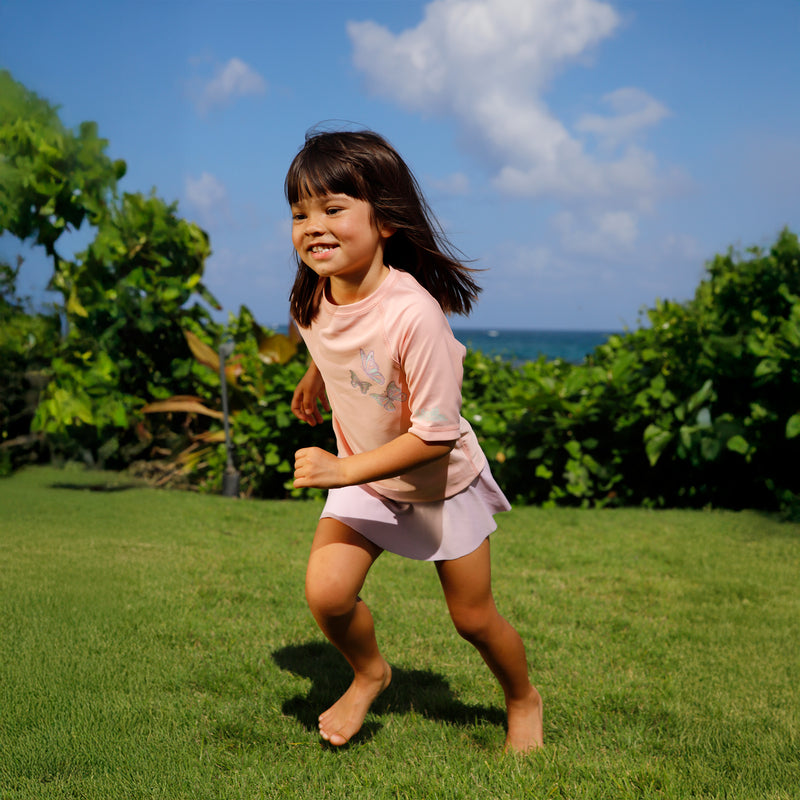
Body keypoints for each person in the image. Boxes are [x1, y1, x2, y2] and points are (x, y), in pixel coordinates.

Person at [287, 129, 543, 753]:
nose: (313, 226)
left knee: (473, 619)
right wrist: (316, 375)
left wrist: (340, 471)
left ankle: (522, 699)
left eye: (333, 208)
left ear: (386, 220)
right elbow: (338, 338)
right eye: (300, 213)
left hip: (439, 486)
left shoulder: (416, 315)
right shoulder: (312, 299)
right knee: (326, 592)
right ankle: (370, 673)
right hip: (370, 480)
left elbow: (434, 437)